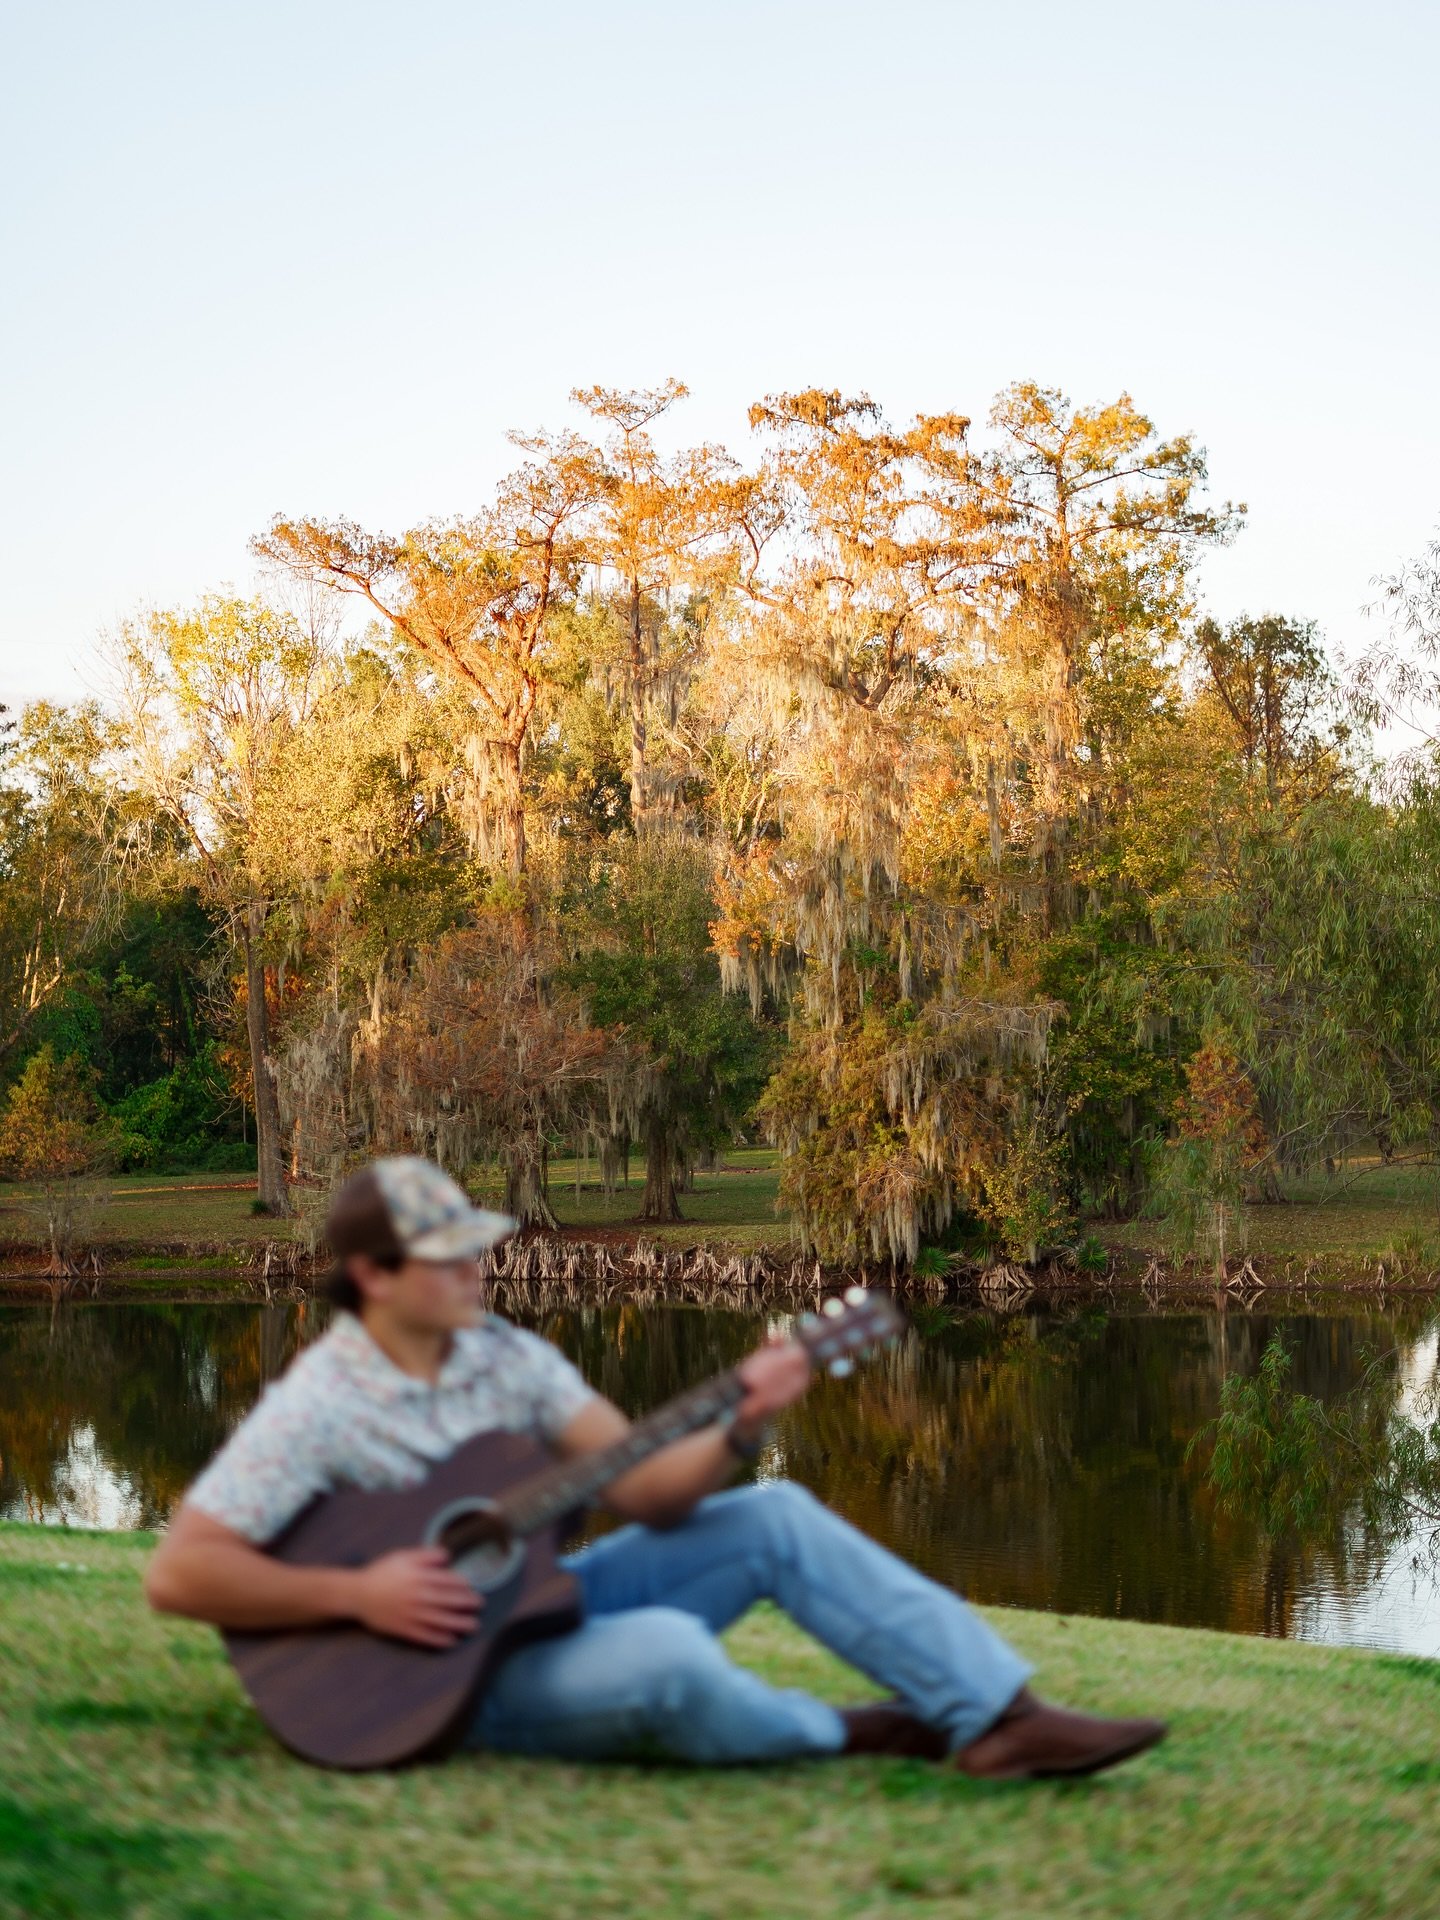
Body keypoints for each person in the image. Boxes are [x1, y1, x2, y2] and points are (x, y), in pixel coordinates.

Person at [145, 1156, 1166, 1777]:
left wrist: (738, 1423)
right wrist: (360, 1592)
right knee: (668, 1657)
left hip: (538, 1603)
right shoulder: (319, 1403)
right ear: (371, 1276)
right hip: (430, 1686)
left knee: (776, 1517)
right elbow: (181, 1572)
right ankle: (847, 1734)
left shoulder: (509, 1356)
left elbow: (645, 1494)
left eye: (476, 1248)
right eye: (447, 1256)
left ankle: (1000, 1719)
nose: (477, 1268)